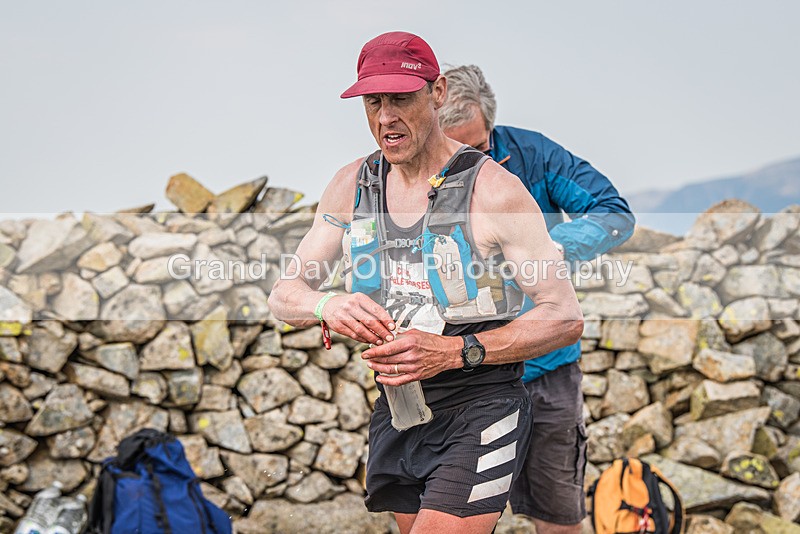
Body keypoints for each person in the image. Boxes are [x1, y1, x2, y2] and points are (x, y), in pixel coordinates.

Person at [268, 32, 584, 534]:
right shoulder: (352, 184)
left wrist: (455, 352)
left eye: (402, 99)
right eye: (374, 102)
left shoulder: (495, 192)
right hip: (401, 408)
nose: (386, 117)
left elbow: (564, 317)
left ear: (436, 93)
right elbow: (286, 294)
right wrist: (329, 305)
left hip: (482, 405)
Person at [439, 65, 636, 534]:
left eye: (480, 150)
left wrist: (552, 250)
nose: (471, 166)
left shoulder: (535, 153)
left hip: (547, 369)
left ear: (492, 124)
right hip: (456, 374)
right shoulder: (404, 173)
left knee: (557, 516)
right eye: (454, 153)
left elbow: (613, 213)